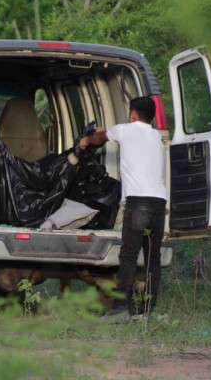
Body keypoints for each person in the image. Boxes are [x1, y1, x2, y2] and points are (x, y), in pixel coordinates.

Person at [78, 96, 167, 322]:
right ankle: (147, 311)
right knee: (152, 259)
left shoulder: (124, 130)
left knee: (128, 256)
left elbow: (101, 137)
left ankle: (120, 310)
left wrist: (88, 140)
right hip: (159, 203)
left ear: (134, 114)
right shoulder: (156, 136)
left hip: (138, 203)